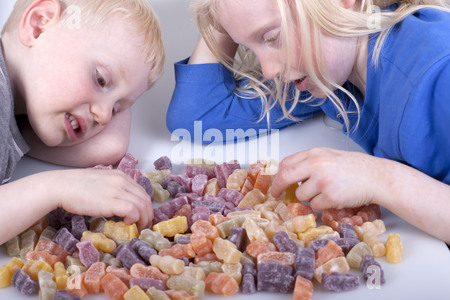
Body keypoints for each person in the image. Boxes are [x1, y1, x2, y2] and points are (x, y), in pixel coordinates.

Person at [166, 0, 450, 244]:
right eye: (250, 49)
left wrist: (378, 177)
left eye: (272, 38)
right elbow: (199, 115)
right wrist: (227, 13)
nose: (268, 70)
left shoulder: (438, 72)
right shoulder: (332, 70)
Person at [0, 0, 165, 245]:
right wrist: (57, 189)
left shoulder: (21, 111)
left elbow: (112, 146)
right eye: (100, 80)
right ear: (39, 25)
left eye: (117, 107)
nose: (106, 117)